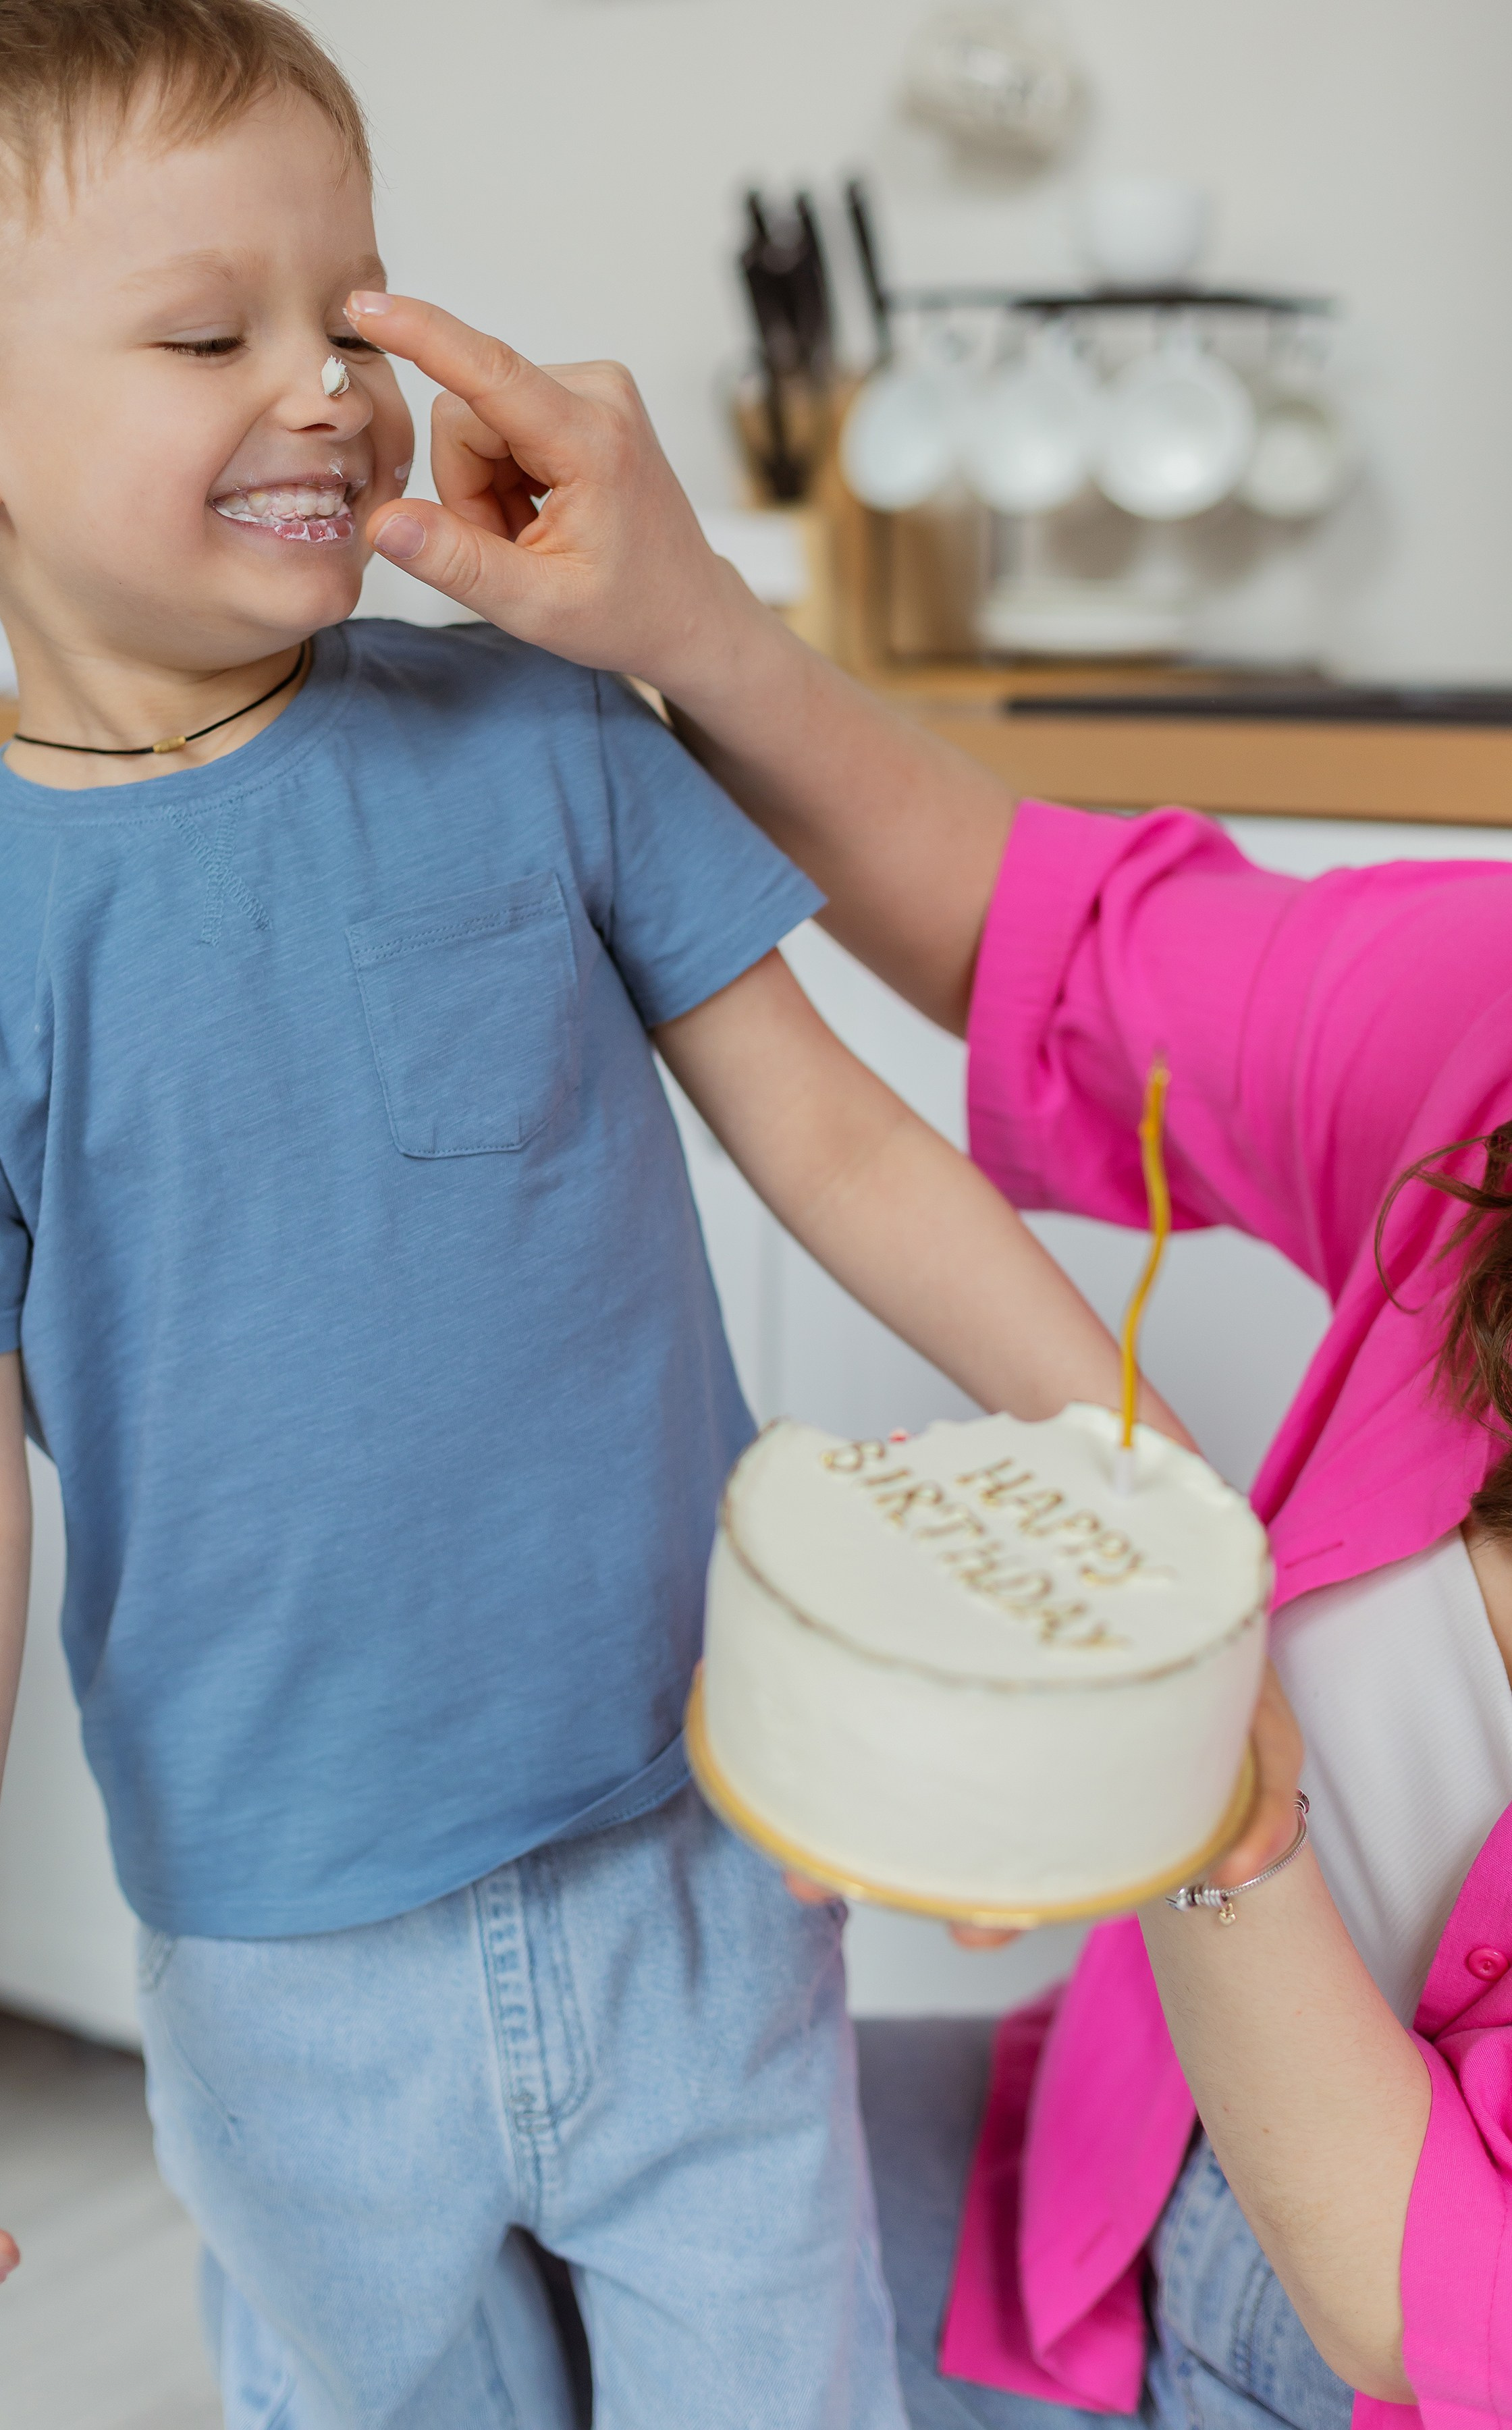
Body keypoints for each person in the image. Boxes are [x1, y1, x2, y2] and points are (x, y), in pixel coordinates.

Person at [0, 7, 1195, 2427]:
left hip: (694, 1845)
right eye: (209, 334)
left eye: (349, 310)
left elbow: (841, 1146)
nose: (325, 386)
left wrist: (1135, 1459)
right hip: (284, 1966)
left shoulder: (543, 728)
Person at [346, 297, 1512, 2430]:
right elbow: (1051, 943)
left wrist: (1179, 1774)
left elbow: (1408, 2304)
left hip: (1342, 2340)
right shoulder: (1487, 1054)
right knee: (452, 2235)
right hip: (1114, 2168)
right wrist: (692, 623)